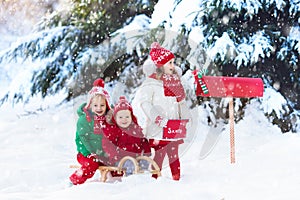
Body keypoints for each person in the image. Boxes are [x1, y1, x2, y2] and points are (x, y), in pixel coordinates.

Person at [132, 42, 191, 181]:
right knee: (159, 155)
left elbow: (179, 104)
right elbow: (145, 103)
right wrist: (157, 118)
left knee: (174, 155)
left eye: (173, 63)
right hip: (159, 128)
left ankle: (177, 179)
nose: (173, 66)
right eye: (169, 63)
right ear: (160, 66)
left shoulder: (174, 82)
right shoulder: (151, 83)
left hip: (173, 127)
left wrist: (184, 117)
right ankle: (155, 180)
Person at [69, 78, 111, 185]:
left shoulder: (108, 120)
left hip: (102, 154)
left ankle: (115, 183)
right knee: (92, 164)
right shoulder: (84, 120)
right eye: (95, 105)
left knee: (115, 163)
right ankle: (75, 180)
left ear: (107, 106)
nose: (99, 108)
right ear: (90, 106)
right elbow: (81, 140)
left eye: (102, 105)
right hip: (85, 154)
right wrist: (89, 154)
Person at [102, 96, 151, 175]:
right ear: (115, 118)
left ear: (131, 117)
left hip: (135, 158)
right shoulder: (114, 130)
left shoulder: (135, 129)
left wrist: (147, 152)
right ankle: (131, 180)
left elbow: (143, 141)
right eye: (120, 117)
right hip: (120, 159)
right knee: (130, 165)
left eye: (127, 117)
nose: (124, 119)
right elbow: (107, 144)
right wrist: (114, 155)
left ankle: (143, 177)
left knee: (145, 161)